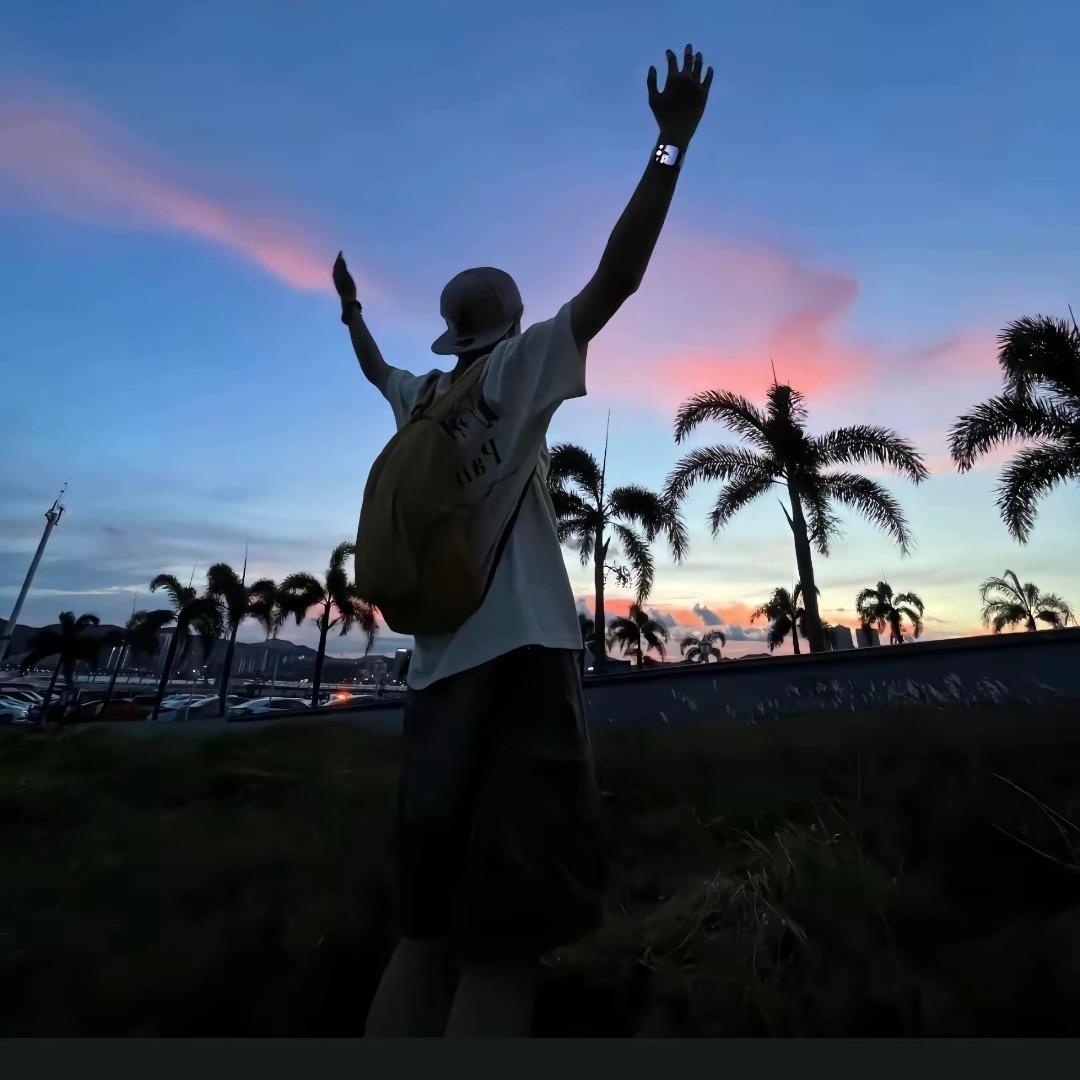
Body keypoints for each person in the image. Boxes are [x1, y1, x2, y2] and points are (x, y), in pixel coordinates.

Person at [335, 43, 713, 1037]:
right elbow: (617, 279)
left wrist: (353, 314)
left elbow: (375, 367)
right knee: (503, 950)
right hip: (521, 672)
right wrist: (669, 147)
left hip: (434, 681)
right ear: (507, 322)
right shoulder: (521, 371)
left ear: (448, 333)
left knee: (421, 937)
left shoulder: (421, 400)